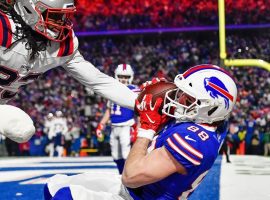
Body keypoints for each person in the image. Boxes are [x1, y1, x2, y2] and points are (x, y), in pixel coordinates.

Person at [44, 64, 238, 200]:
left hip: (141, 194)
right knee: (53, 186)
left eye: (188, 98)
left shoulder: (193, 140)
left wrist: (146, 128)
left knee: (64, 196)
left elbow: (131, 176)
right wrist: (162, 91)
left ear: (211, 108)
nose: (178, 100)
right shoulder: (214, 121)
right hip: (140, 190)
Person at [0, 0, 137, 143]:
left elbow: (98, 81)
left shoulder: (62, 45)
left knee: (22, 129)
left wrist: (140, 102)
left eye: (65, 17)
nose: (62, 24)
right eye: (55, 17)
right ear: (30, 9)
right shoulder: (4, 28)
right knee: (21, 126)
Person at [96, 64, 140, 174]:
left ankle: (129, 176)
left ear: (131, 77)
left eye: (126, 77)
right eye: (121, 76)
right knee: (116, 155)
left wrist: (139, 127)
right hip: (114, 126)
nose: (123, 79)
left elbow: (140, 111)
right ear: (116, 76)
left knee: (126, 153)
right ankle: (121, 174)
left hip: (127, 126)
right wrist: (101, 124)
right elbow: (109, 110)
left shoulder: (134, 90)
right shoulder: (112, 89)